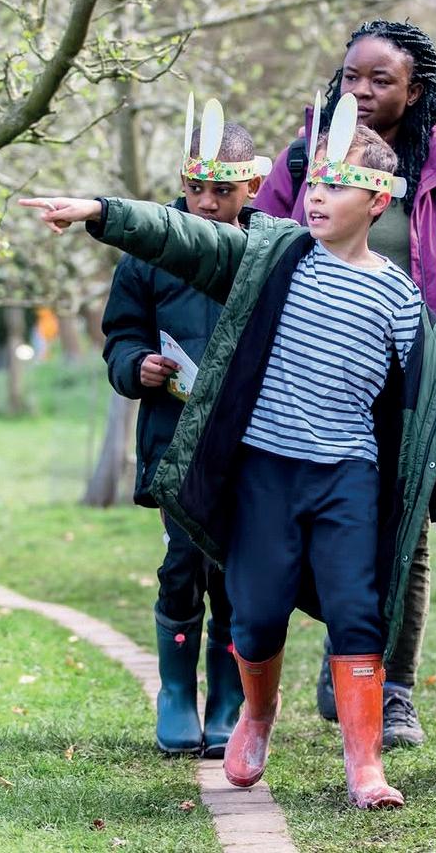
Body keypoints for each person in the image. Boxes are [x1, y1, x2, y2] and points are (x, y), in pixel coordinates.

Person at [21, 104, 436, 809]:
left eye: (336, 185)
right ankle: (256, 716)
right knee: (257, 614)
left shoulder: (397, 295)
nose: (317, 196)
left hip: (347, 478)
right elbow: (180, 236)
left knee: (358, 612)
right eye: (313, 183)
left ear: (377, 201)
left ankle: (365, 768)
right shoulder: (273, 259)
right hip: (265, 473)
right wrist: (100, 211)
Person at [255, 19, 436, 747]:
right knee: (325, 529)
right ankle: (347, 652)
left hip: (409, 385)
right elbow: (255, 253)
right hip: (316, 380)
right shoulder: (304, 159)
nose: (359, 90)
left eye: (380, 80)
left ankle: (392, 691)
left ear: (414, 91)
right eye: (351, 76)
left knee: (407, 537)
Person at [101, 119, 265, 757]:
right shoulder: (148, 252)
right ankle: (175, 691)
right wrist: (136, 365)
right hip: (174, 443)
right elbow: (121, 335)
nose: (207, 203)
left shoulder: (272, 251)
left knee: (235, 572)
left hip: (251, 443)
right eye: (197, 189)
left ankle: (227, 698)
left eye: (223, 191)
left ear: (251, 187)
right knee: (182, 562)